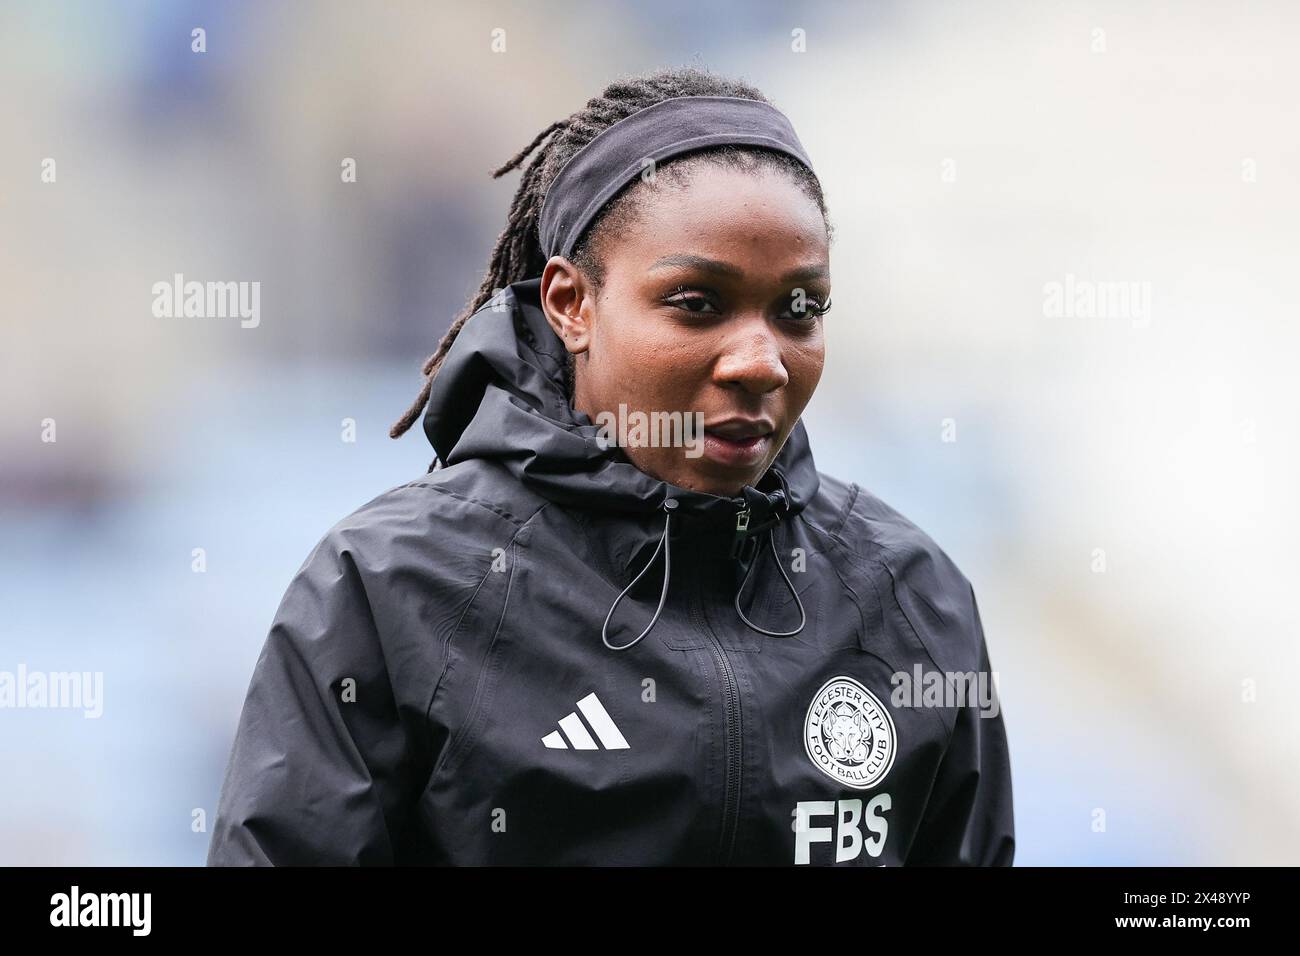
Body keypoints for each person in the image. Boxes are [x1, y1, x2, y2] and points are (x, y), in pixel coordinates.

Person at [206, 67, 1014, 866]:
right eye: (697, 303)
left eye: (799, 309)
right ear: (571, 304)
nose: (761, 361)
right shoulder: (395, 589)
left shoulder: (912, 599)